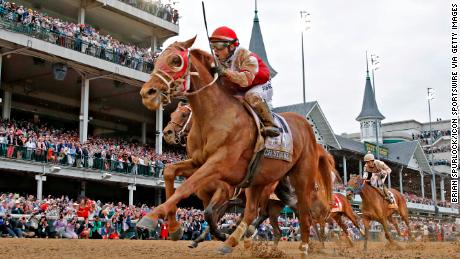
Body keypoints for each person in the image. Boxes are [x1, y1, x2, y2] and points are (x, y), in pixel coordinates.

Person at [209, 26, 280, 137]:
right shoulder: (218, 60)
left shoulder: (246, 56)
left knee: (251, 95)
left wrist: (225, 72)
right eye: (213, 46)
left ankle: (270, 124)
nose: (215, 51)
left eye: (218, 46)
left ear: (231, 46)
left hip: (259, 84)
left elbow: (245, 80)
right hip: (240, 87)